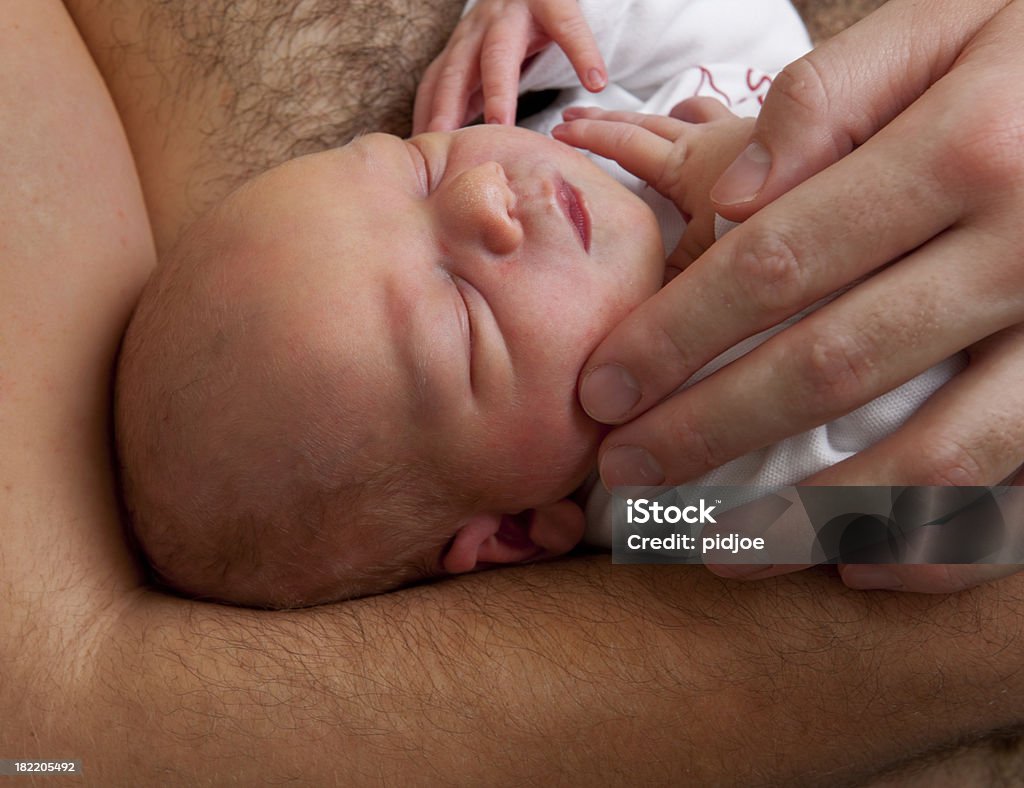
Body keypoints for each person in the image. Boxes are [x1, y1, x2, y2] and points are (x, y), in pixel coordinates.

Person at [3, 0, 1023, 783]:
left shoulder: (574, 112)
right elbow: (955, 535)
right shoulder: (682, 512)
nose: (482, 196)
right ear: (515, 535)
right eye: (459, 316)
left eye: (410, 166)